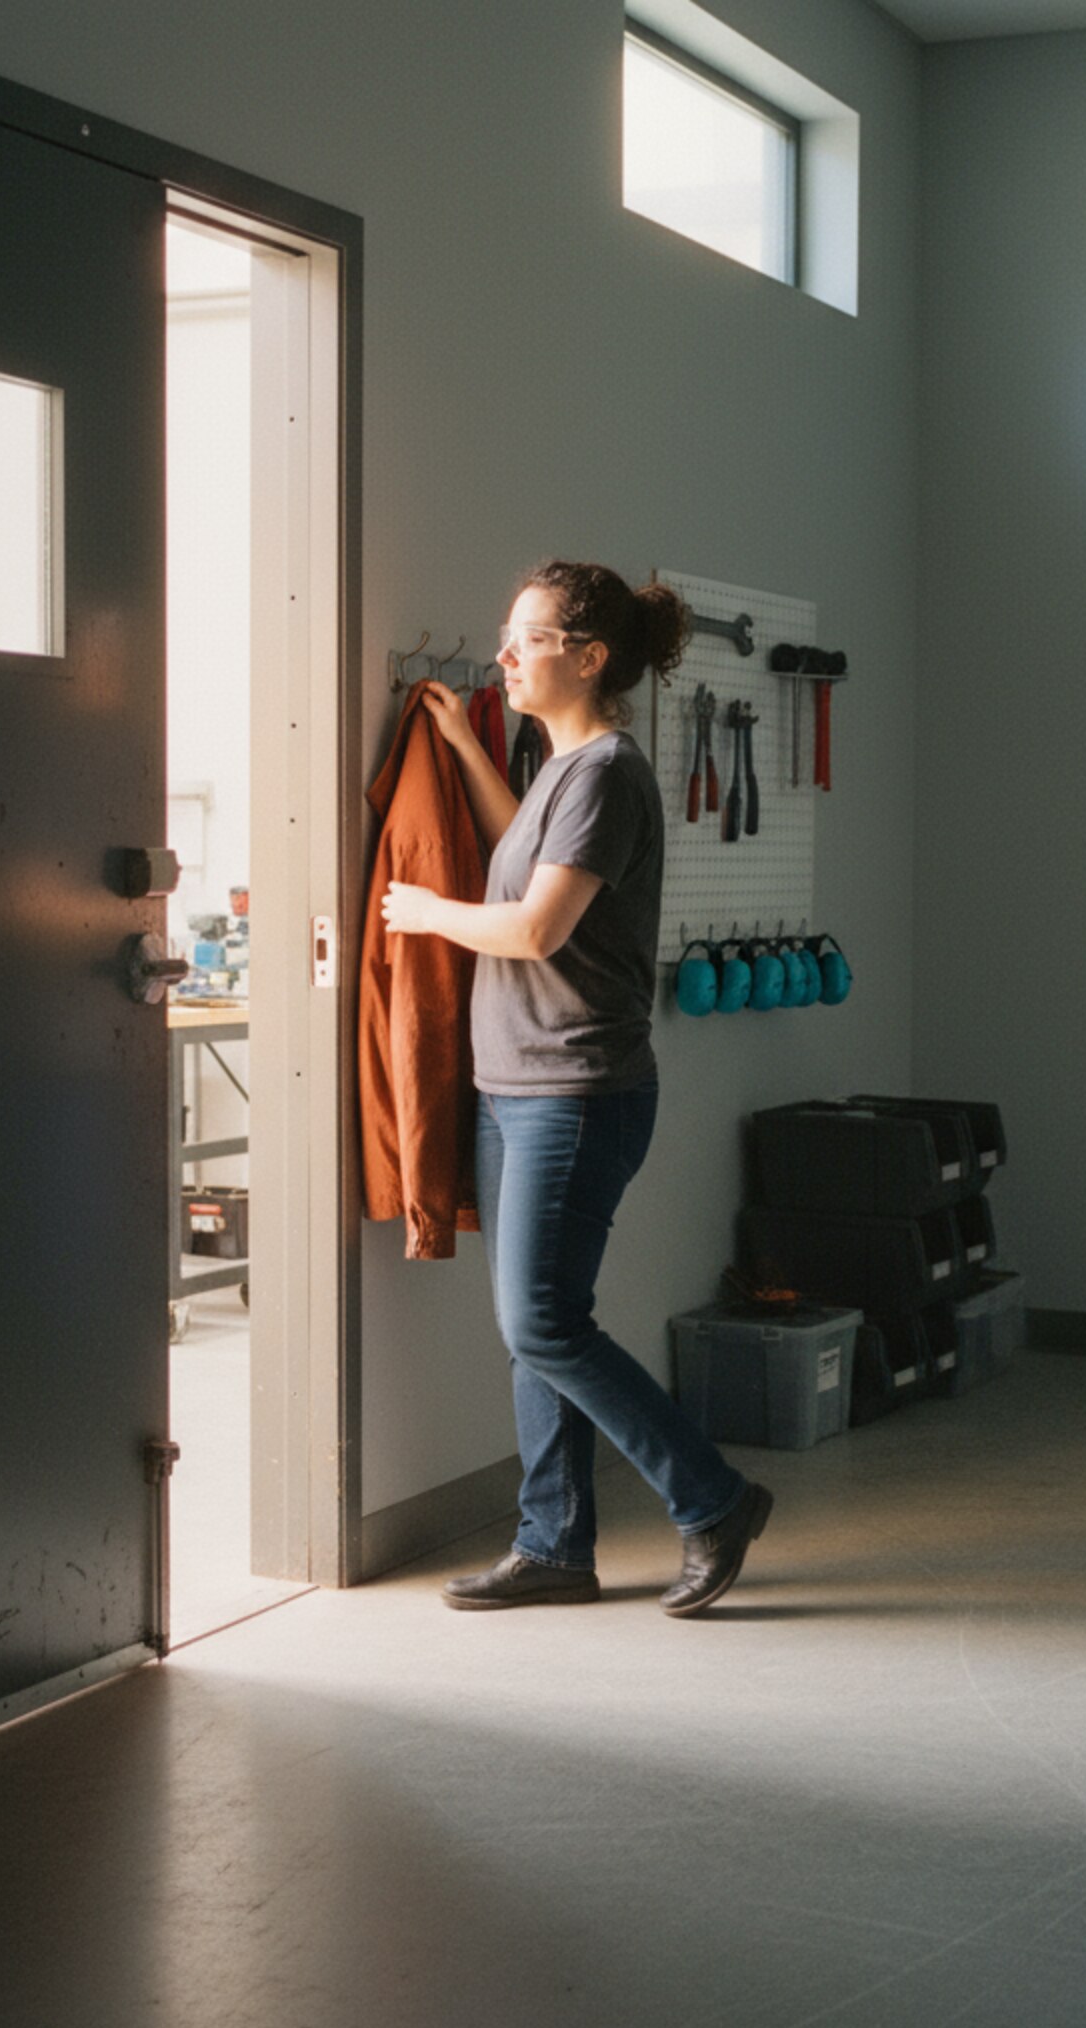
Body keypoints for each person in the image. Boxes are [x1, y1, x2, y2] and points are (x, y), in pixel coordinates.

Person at [381, 560, 773, 1616]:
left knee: (545, 1321)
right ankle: (553, 1542)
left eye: (526, 637)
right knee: (535, 1323)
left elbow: (532, 927)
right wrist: (465, 748)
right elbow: (527, 854)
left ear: (588, 657)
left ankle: (713, 1498)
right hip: (520, 1087)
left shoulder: (605, 772)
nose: (504, 654)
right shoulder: (564, 771)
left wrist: (424, 911)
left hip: (575, 1091)